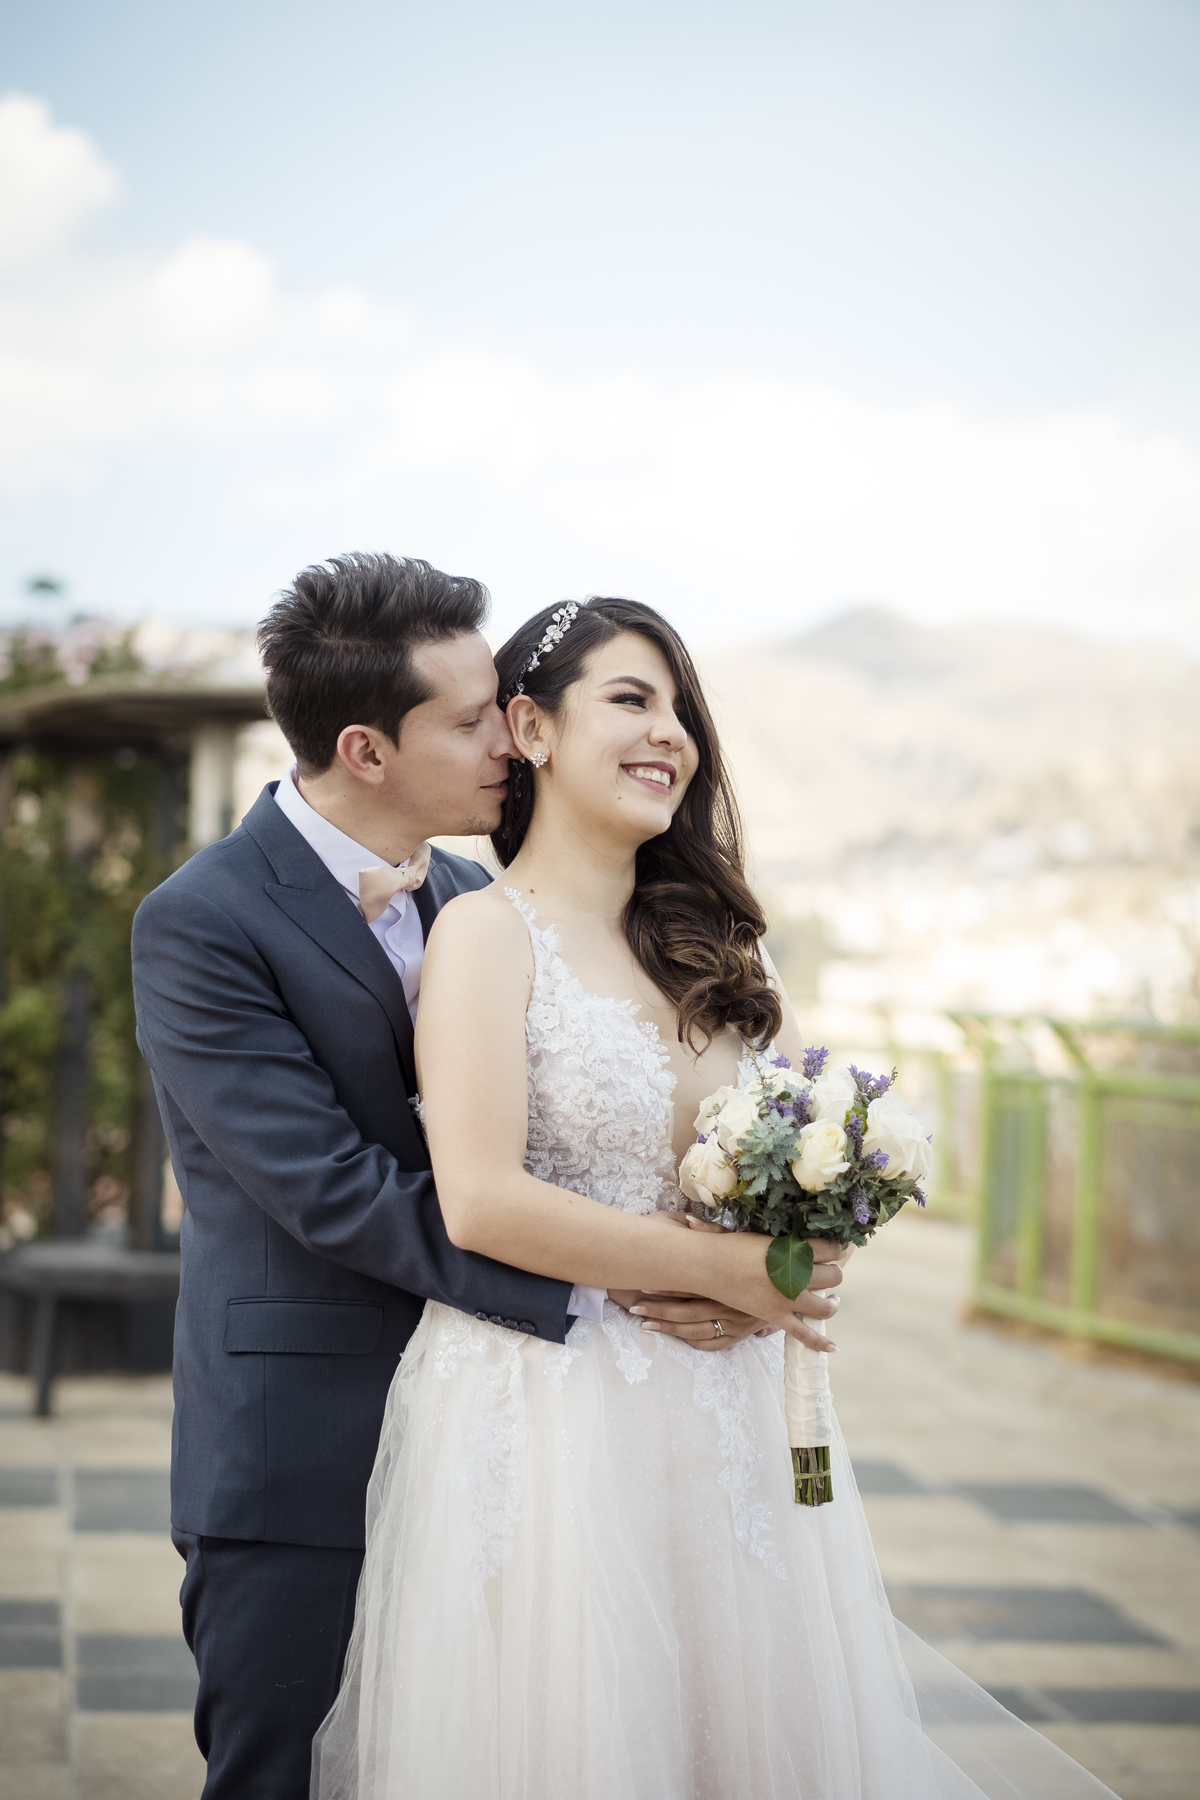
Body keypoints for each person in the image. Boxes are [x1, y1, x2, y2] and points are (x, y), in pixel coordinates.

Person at [312, 595, 1119, 1799]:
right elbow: (478, 1203)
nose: (671, 733)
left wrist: (801, 1247)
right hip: (556, 1414)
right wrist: (718, 1271)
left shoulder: (723, 951)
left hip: (737, 1413)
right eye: (632, 700)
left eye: (681, 707)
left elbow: (765, 1180)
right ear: (528, 728)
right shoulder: (483, 936)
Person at [131, 555, 846, 1800]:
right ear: (366, 748)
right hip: (306, 1446)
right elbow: (336, 1189)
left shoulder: (481, 897)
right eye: (469, 722)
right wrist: (642, 1280)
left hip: (521, 1433)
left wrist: (729, 1279)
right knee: (283, 1777)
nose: (505, 744)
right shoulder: (202, 919)